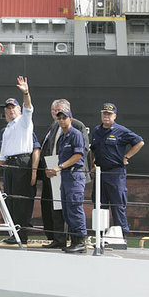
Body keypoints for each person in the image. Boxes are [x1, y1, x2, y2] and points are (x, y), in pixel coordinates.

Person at [0, 76, 35, 244]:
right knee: (9, 199)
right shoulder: (6, 130)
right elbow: (3, 153)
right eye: (8, 108)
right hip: (9, 164)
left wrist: (26, 92)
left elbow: (29, 107)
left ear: (18, 109)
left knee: (20, 200)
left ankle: (22, 235)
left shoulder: (24, 122)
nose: (10, 111)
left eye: (13, 107)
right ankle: (14, 233)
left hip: (21, 162)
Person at [39, 99, 90, 249]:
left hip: (73, 174)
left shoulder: (76, 130)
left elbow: (81, 153)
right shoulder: (57, 130)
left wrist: (59, 167)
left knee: (74, 208)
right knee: (64, 209)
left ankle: (79, 241)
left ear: (70, 117)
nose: (60, 118)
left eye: (63, 116)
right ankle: (63, 239)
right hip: (60, 174)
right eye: (57, 114)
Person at [90, 103, 145, 237]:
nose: (106, 116)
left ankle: (121, 235)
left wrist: (127, 156)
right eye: (104, 114)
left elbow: (139, 142)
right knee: (99, 205)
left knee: (117, 204)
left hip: (115, 173)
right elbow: (93, 149)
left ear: (114, 116)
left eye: (109, 114)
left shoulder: (121, 131)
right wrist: (92, 165)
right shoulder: (97, 130)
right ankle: (100, 235)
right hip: (100, 173)